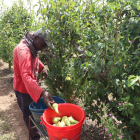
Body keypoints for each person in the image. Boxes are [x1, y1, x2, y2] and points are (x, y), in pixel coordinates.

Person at [13, 28, 55, 140]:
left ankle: (36, 132)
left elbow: (34, 58)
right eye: (43, 44)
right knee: (29, 115)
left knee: (32, 113)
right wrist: (42, 93)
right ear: (36, 37)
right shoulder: (23, 51)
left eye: (45, 46)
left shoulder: (32, 46)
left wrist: (42, 67)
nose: (43, 48)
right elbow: (26, 76)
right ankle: (35, 137)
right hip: (23, 89)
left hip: (29, 87)